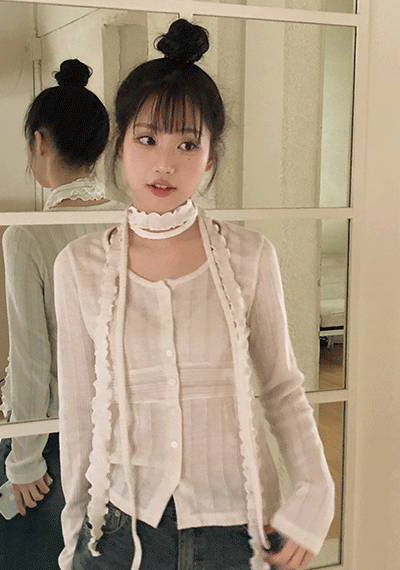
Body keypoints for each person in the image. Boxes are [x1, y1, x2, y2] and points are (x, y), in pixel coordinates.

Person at [54, 20, 334, 570]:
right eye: (147, 139)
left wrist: (315, 494)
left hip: (236, 529)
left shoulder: (249, 256)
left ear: (210, 157)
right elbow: (80, 412)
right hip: (121, 532)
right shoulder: (79, 266)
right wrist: (73, 537)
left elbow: (282, 389)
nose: (165, 163)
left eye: (187, 143)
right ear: (120, 145)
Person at [0, 59, 124, 570]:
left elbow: (32, 358)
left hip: (57, 435)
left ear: (39, 141)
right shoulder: (134, 223)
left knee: (17, 551)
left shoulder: (27, 235)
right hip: (125, 432)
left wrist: (24, 459)